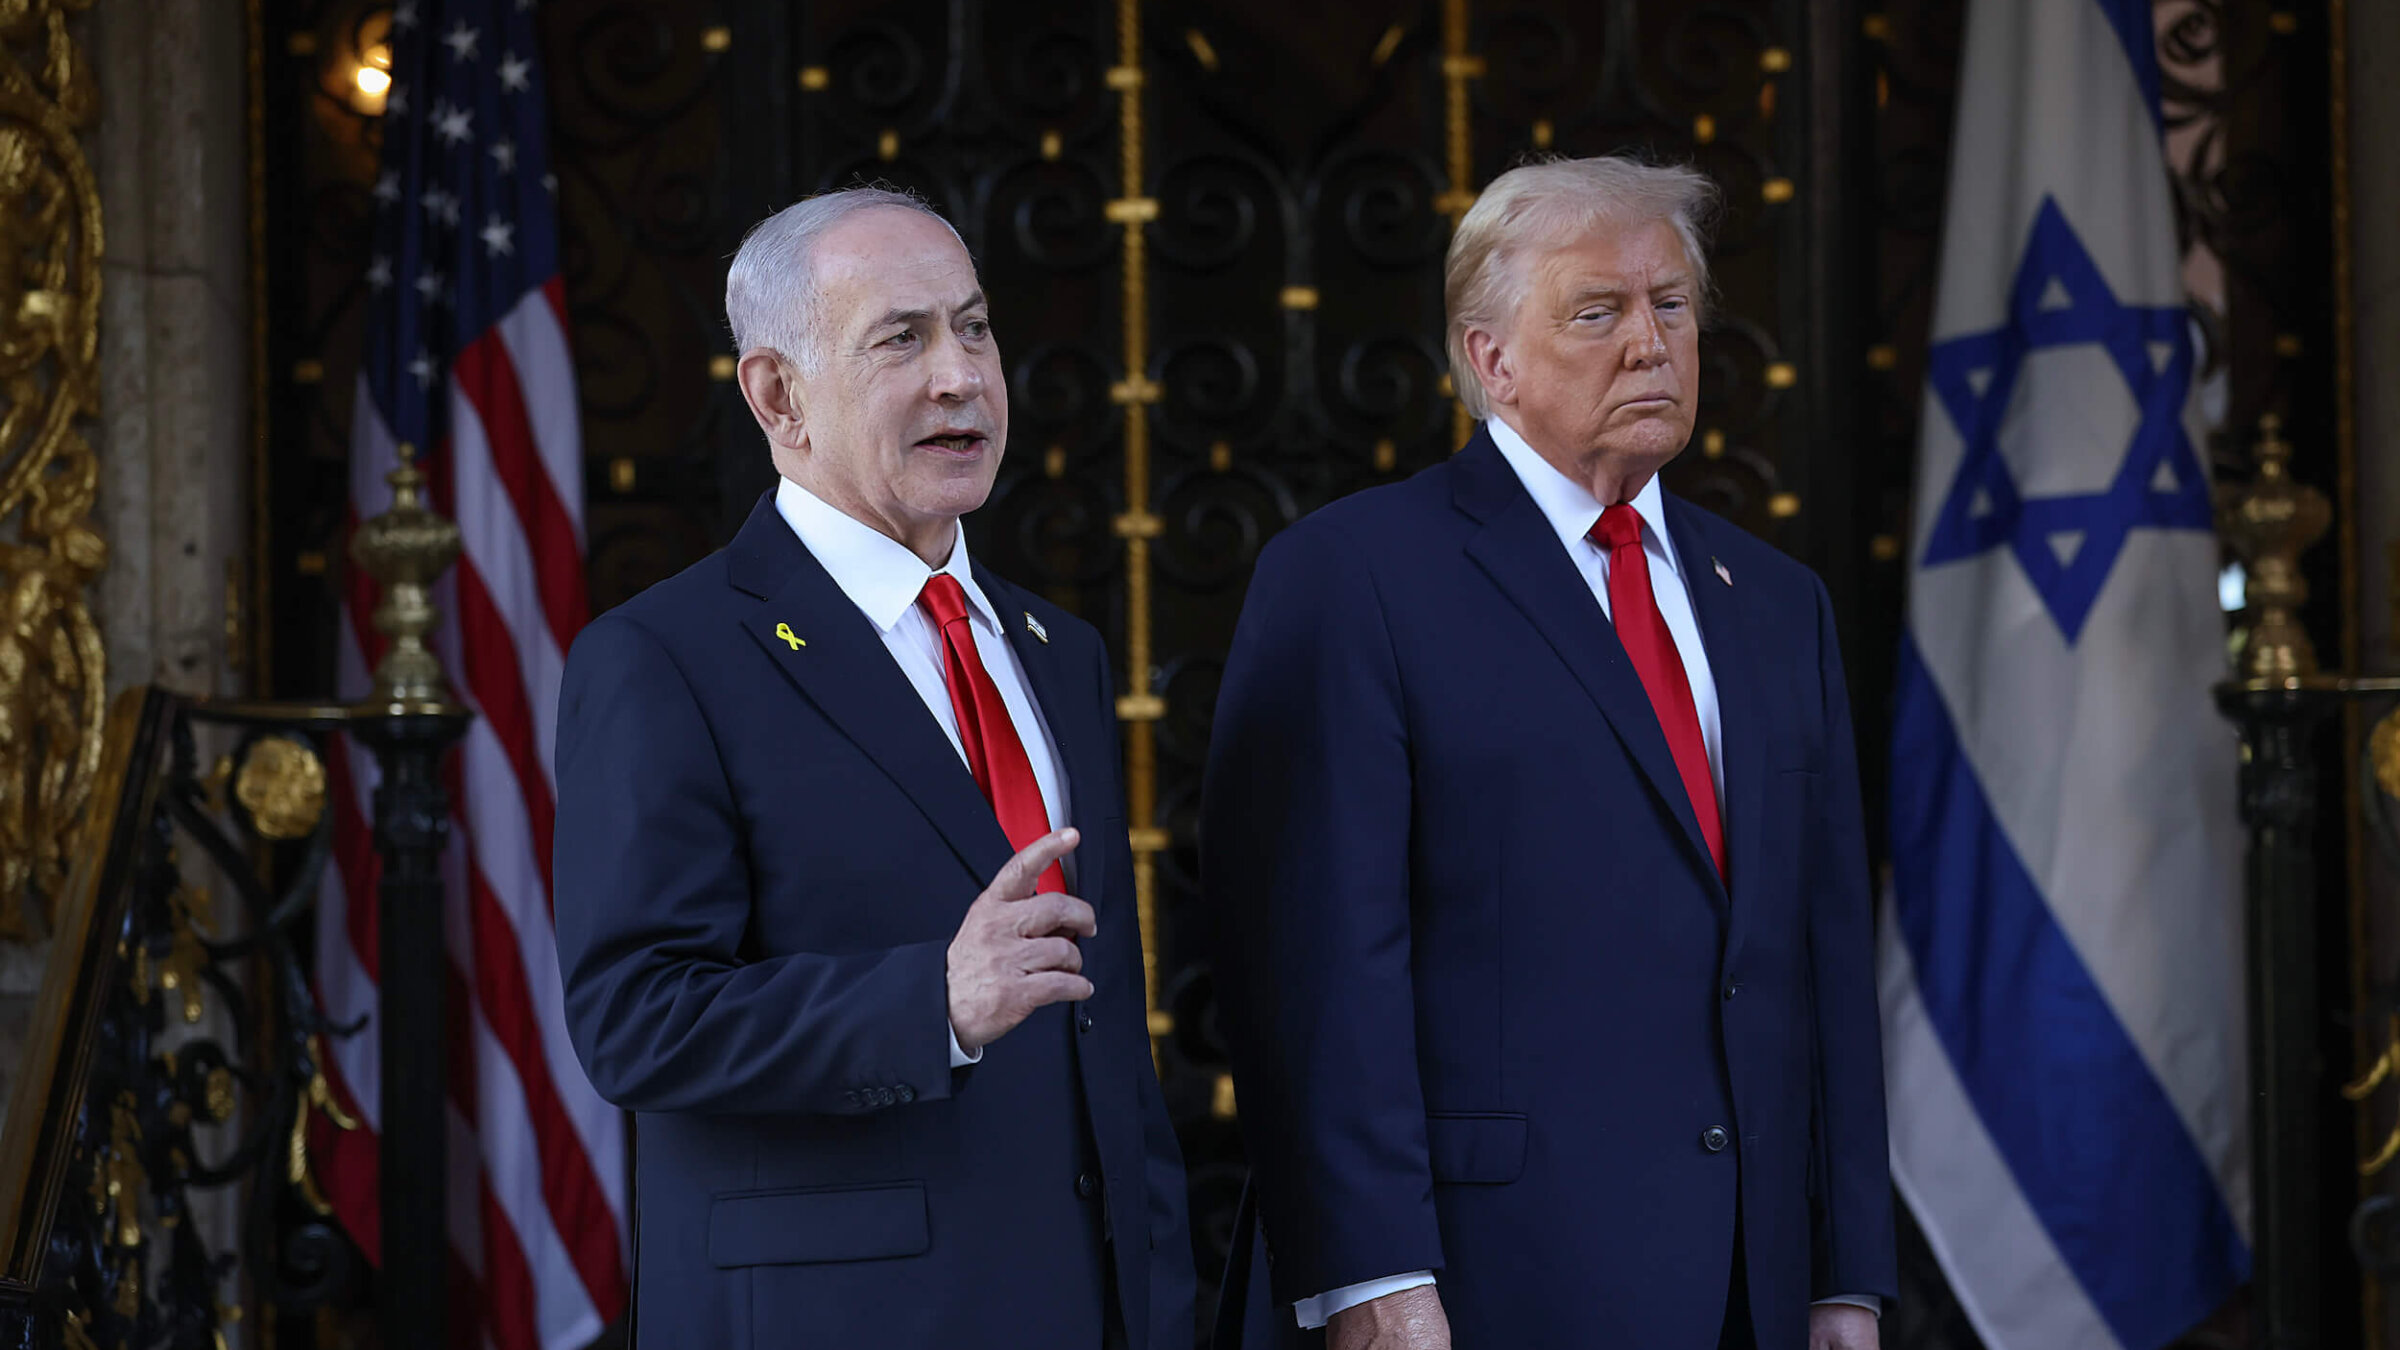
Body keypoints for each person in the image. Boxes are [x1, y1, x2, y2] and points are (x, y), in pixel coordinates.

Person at [1203, 156, 1896, 1350]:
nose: (1650, 344)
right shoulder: (1354, 576)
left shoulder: (1777, 603)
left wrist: (1845, 1274)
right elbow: (1312, 963)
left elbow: (1820, 958)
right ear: (1490, 360)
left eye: (1671, 305)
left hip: (1752, 1286)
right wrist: (1370, 1274)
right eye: (1598, 312)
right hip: (1483, 1284)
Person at [553, 186, 1194, 1350]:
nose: (961, 374)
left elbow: (1102, 1042)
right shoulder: (664, 658)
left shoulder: (1059, 651)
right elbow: (634, 1019)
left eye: (977, 327)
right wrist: (928, 1006)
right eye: (902, 338)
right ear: (777, 395)